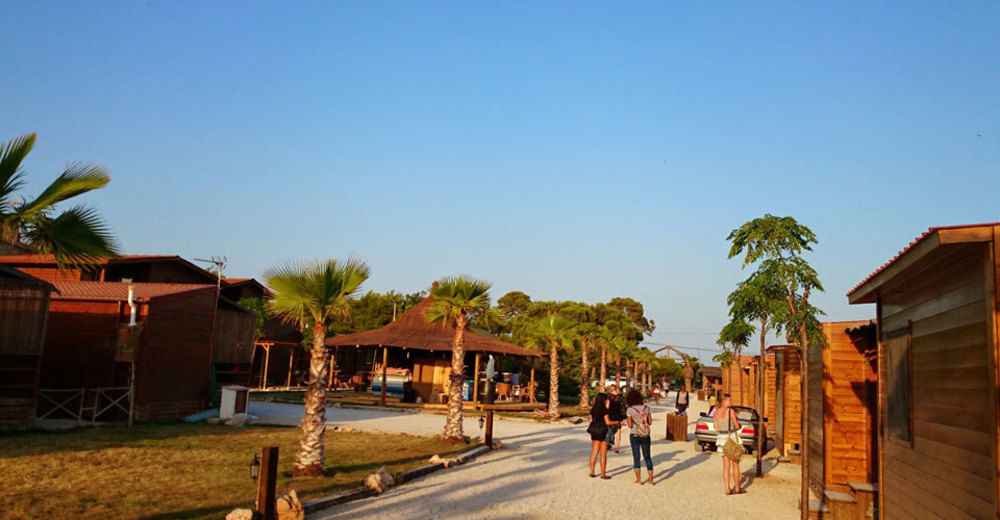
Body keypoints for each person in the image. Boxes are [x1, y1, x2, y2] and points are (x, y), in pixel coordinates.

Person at [714, 394, 746, 495]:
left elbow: (717, 429)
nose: (731, 402)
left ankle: (727, 489)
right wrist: (739, 425)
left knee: (726, 465)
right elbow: (736, 426)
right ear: (724, 401)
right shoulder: (730, 411)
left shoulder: (716, 413)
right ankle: (737, 488)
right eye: (729, 400)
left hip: (722, 439)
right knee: (735, 464)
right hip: (731, 437)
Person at [625, 389, 655, 485]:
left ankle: (639, 480)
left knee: (636, 457)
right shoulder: (647, 408)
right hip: (646, 434)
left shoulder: (630, 410)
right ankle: (651, 480)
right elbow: (650, 422)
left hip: (634, 434)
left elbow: (629, 425)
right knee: (647, 457)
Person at [588, 393, 620, 479]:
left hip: (594, 432)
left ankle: (592, 472)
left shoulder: (593, 410)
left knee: (594, 452)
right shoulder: (605, 410)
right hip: (603, 432)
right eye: (606, 400)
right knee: (603, 455)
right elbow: (608, 422)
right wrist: (617, 422)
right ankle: (603, 474)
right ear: (604, 400)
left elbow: (591, 421)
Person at [607, 385, 627, 453]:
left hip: (610, 415)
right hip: (619, 416)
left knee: (609, 430)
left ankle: (609, 443)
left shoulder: (609, 396)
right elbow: (624, 407)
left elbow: (607, 407)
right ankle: (617, 447)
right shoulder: (620, 397)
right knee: (618, 431)